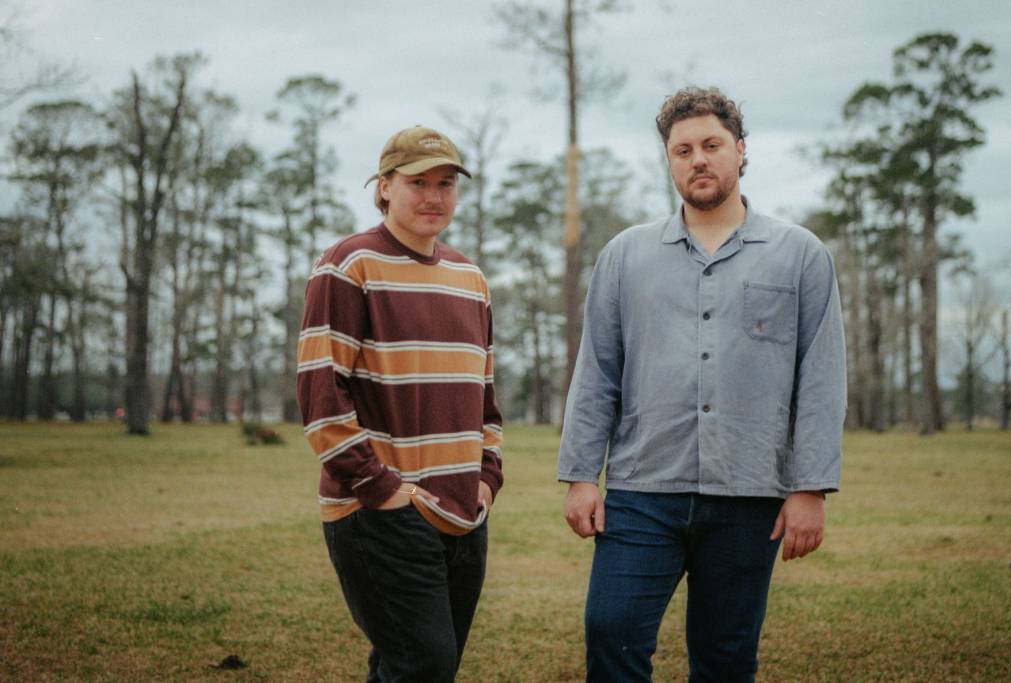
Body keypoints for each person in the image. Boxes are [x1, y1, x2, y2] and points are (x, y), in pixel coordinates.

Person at [557, 86, 846, 682]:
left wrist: (811, 488)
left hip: (750, 493)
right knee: (610, 630)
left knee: (725, 656)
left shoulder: (799, 255)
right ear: (669, 160)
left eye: (712, 145)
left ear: (740, 151)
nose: (698, 159)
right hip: (643, 491)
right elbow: (596, 372)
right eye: (682, 149)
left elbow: (820, 381)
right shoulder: (624, 256)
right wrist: (582, 475)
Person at [297, 125, 503, 683]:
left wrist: (487, 476)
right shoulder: (349, 265)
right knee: (424, 665)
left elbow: (484, 398)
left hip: (464, 513)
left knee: (414, 666)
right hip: (381, 512)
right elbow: (321, 396)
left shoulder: (470, 279)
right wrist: (383, 491)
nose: (434, 196)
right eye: (418, 182)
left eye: (445, 184)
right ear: (384, 187)